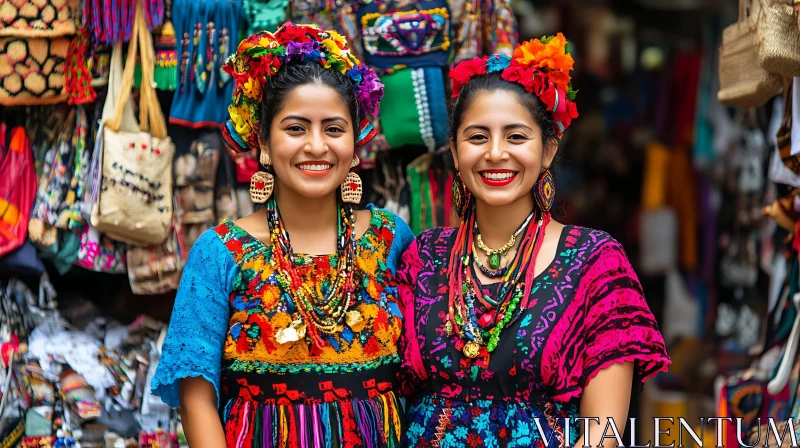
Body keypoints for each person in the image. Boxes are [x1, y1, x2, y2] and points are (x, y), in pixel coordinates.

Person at [396, 34, 671, 447]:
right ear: (454, 152)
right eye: (477, 137)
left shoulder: (594, 262)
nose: (495, 153)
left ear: (547, 151)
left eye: (516, 136)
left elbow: (602, 435)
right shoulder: (425, 255)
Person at [151, 23, 414, 447]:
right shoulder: (220, 253)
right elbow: (196, 395)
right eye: (295, 128)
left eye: (333, 128)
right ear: (264, 143)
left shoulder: (391, 237)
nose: (316, 146)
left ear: (355, 141)